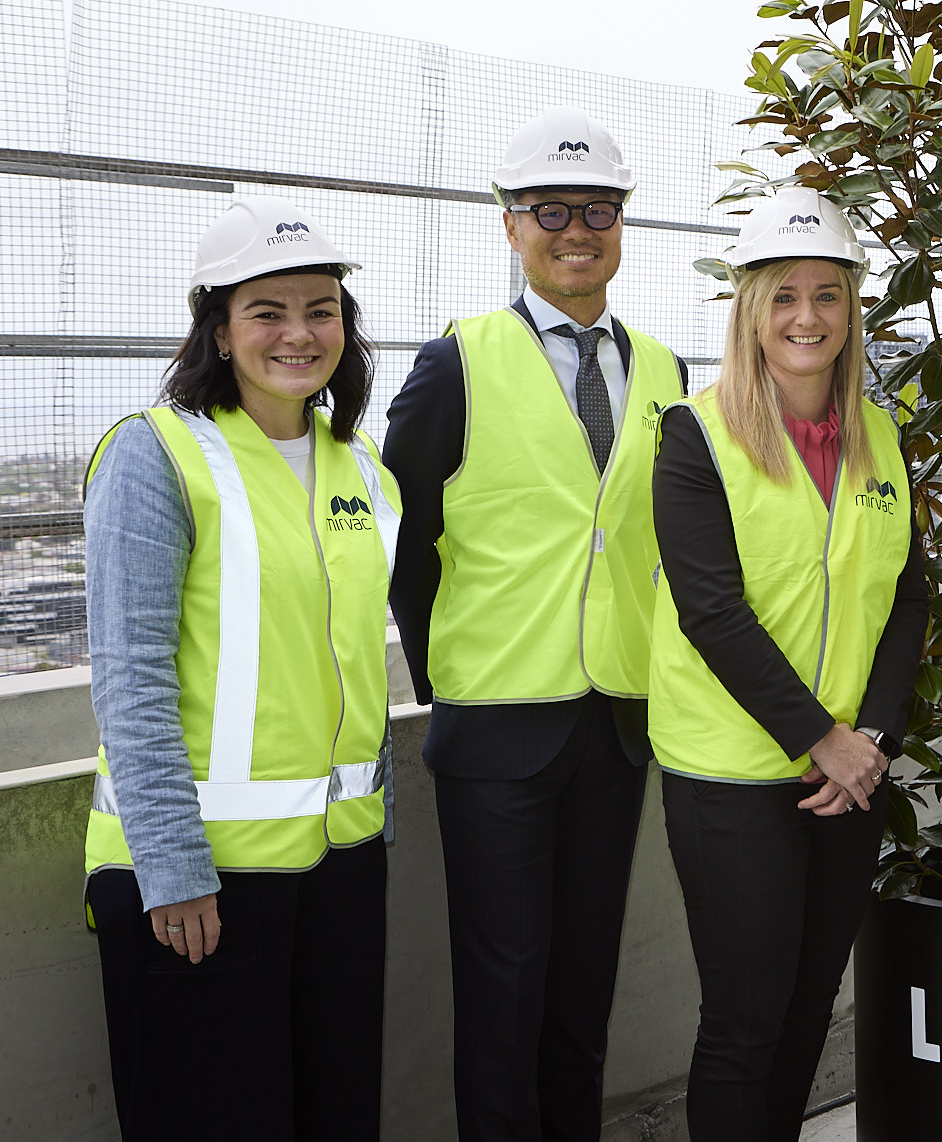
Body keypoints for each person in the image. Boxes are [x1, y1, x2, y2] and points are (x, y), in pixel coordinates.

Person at [382, 107, 688, 1141]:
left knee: (581, 986)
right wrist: (448, 677)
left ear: (621, 224)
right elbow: (402, 539)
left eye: (596, 208)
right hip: (498, 726)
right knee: (503, 993)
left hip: (616, 719)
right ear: (508, 226)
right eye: (548, 209)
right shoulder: (456, 362)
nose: (575, 228)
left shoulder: (661, 367)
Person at [83, 197, 399, 1141]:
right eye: (268, 311)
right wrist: (174, 870)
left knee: (333, 1115)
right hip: (200, 879)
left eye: (322, 309)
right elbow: (129, 675)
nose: (300, 334)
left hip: (340, 865)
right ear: (218, 328)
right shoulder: (157, 452)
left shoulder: (361, 467)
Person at [650, 188, 925, 1140]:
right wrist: (819, 737)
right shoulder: (694, 434)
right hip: (733, 777)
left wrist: (869, 739)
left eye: (828, 294)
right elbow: (711, 611)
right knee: (744, 1022)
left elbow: (905, 599)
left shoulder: (879, 438)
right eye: (783, 296)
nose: (806, 317)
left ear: (852, 310)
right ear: (749, 311)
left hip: (850, 773)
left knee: (811, 1011)